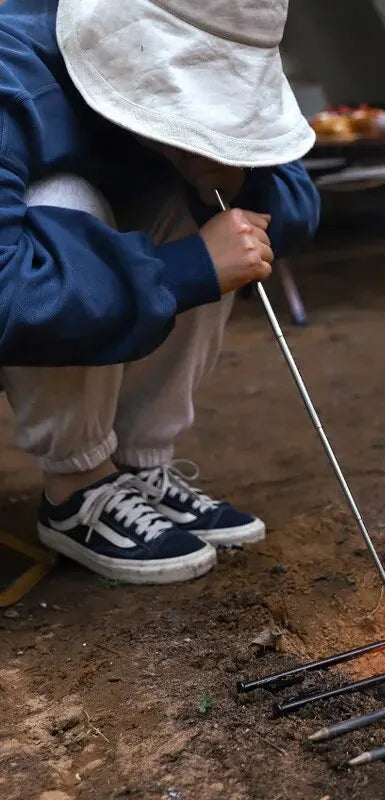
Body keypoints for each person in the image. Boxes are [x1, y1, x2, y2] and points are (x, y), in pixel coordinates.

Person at [0, 0, 320, 583]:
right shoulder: (10, 67)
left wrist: (232, 171)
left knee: (210, 209)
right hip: (26, 261)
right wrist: (186, 269)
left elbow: (298, 205)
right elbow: (5, 290)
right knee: (64, 202)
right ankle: (77, 484)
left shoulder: (228, 20)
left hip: (93, 266)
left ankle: (137, 463)